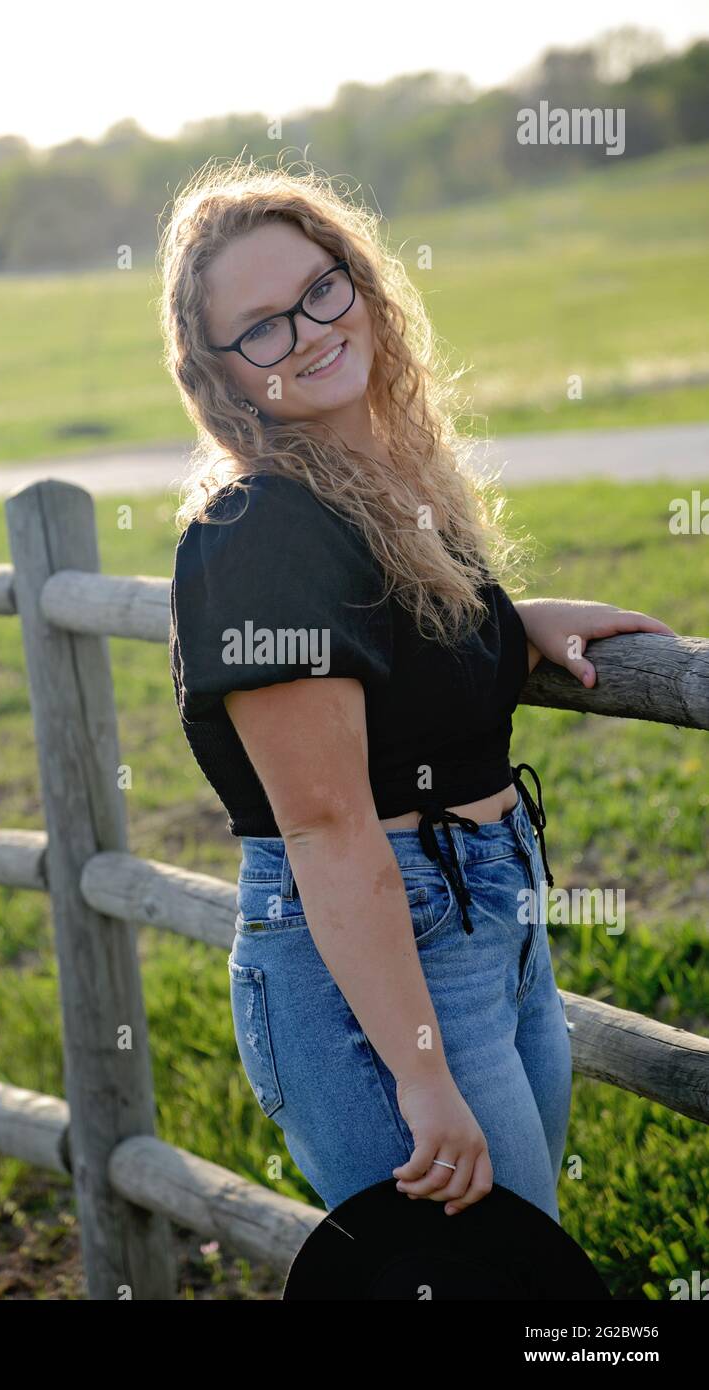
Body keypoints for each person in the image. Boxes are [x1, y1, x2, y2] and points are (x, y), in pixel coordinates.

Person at [161, 158, 675, 1222]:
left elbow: (392, 671)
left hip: (489, 923)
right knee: (488, 1281)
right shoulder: (260, 530)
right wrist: (422, 1073)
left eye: (319, 288)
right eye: (261, 326)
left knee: (520, 1261)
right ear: (218, 373)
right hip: (383, 977)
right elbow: (327, 827)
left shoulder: (384, 490)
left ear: (362, 281)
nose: (305, 331)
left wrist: (509, 627)